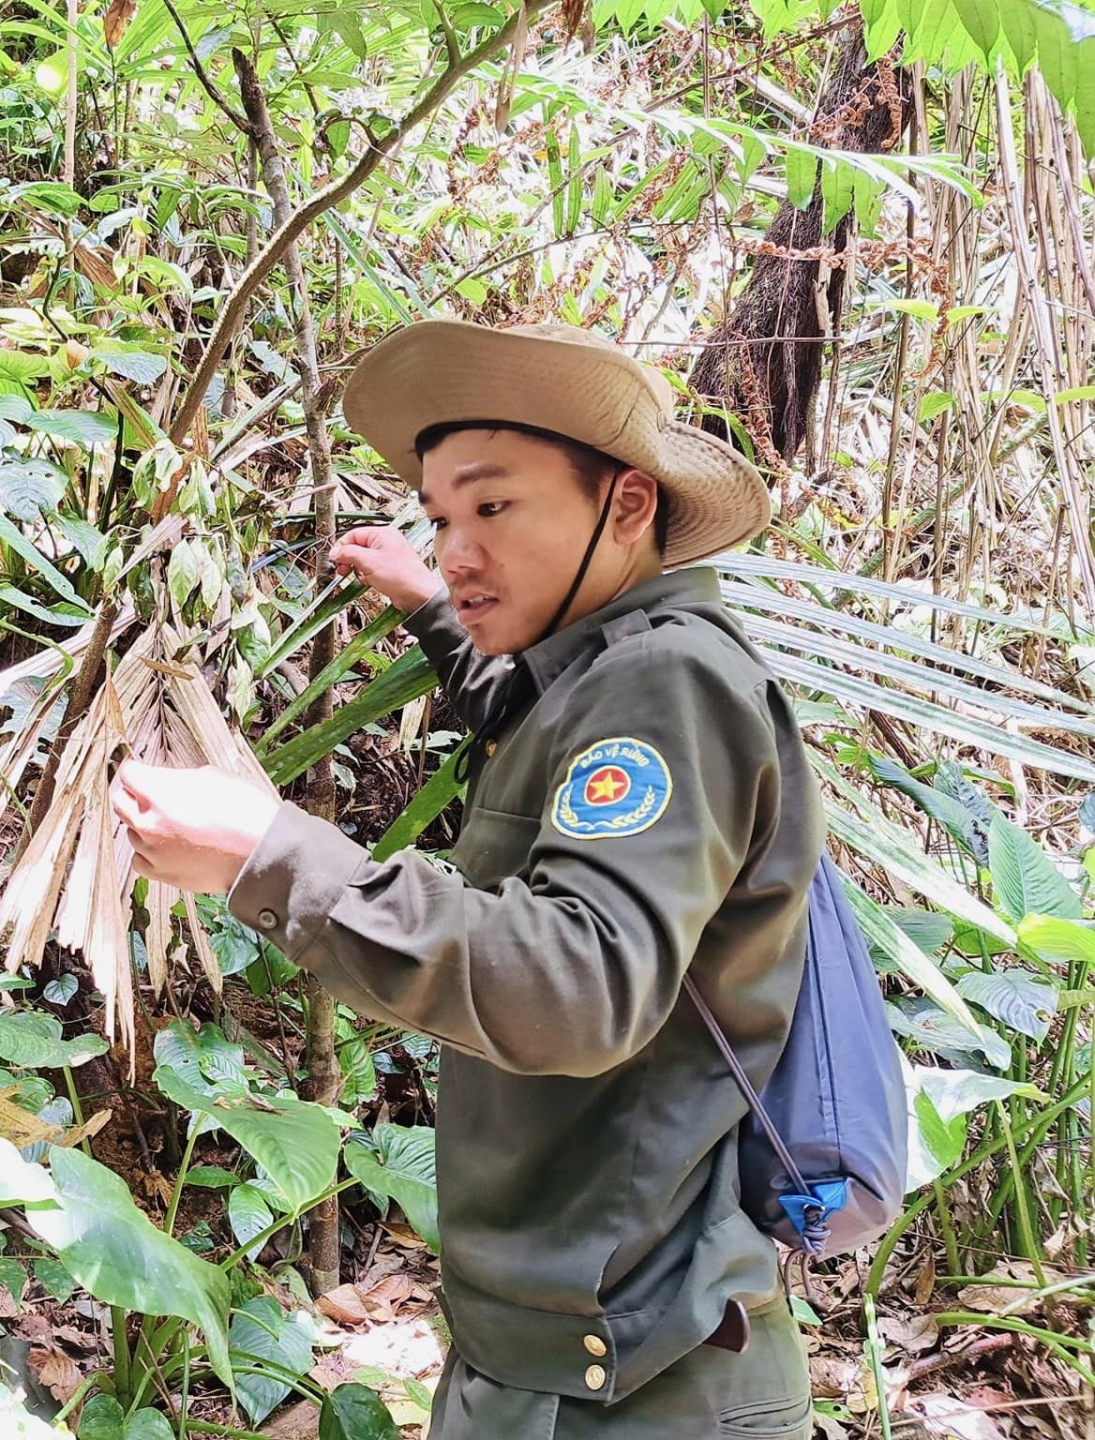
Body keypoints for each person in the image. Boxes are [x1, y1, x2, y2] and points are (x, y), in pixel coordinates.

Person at [109, 320, 826, 1437]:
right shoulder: (598, 667)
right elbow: (529, 714)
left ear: (627, 506)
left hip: (635, 1378)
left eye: (493, 508)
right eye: (441, 516)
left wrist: (275, 855)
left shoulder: (668, 679)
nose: (454, 545)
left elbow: (585, 982)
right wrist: (430, 609)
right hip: (565, 1348)